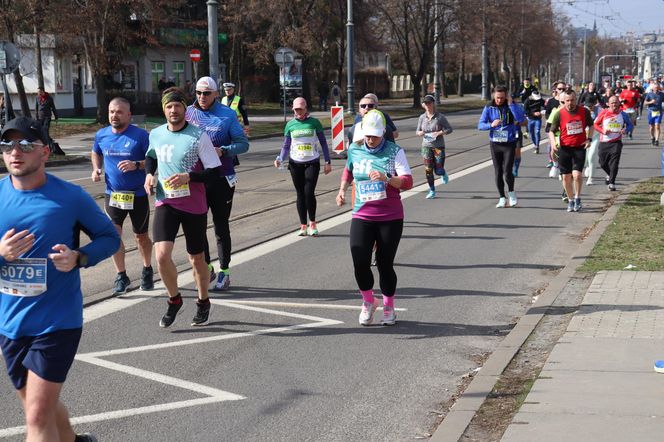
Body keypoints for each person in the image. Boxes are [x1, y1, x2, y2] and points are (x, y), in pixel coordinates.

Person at [0, 116, 119, 442]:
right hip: (10, 323)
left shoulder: (70, 197)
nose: (15, 152)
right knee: (41, 408)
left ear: (46, 153)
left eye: (25, 144)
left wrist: (79, 257)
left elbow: (110, 238)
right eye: (7, 144)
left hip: (57, 322)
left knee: (37, 416)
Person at [143, 87, 222, 327]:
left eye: (178, 106)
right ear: (164, 110)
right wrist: (148, 174)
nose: (173, 110)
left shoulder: (198, 136)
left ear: (184, 110)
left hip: (193, 206)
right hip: (166, 201)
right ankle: (174, 299)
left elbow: (215, 172)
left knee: (196, 259)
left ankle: (203, 301)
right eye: (169, 106)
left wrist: (190, 177)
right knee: (161, 255)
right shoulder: (156, 134)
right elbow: (151, 156)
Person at [335, 109, 413, 326]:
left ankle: (389, 306)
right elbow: (349, 170)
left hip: (390, 216)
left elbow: (407, 181)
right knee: (359, 262)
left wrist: (387, 178)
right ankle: (369, 301)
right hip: (362, 214)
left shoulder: (394, 152)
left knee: (384, 264)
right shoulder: (355, 149)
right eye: (367, 135)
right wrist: (342, 190)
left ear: (383, 133)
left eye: (375, 136)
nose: (370, 140)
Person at [186, 76, 249, 292]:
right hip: (197, 178)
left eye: (206, 93)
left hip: (222, 177)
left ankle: (225, 271)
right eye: (198, 93)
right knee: (198, 226)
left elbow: (243, 144)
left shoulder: (227, 115)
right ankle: (208, 266)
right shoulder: (188, 113)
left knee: (220, 226)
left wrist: (224, 150)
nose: (202, 97)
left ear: (215, 94)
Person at [91, 97, 154, 295]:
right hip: (113, 195)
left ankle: (146, 269)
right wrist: (96, 169)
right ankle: (121, 275)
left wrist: (136, 165)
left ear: (129, 115)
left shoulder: (141, 136)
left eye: (119, 112)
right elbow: (96, 152)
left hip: (137, 195)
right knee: (113, 236)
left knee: (140, 236)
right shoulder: (101, 135)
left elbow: (153, 160)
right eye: (111, 111)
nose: (114, 115)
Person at [274, 97, 331, 236]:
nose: (298, 112)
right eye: (296, 109)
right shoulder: (290, 125)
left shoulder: (315, 123)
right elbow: (286, 145)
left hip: (312, 162)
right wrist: (280, 158)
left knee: (309, 192)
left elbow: (323, 143)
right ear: (293, 110)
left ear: (306, 109)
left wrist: (327, 162)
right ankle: (303, 225)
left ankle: (312, 223)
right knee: (300, 194)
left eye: (301, 109)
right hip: (295, 164)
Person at [478, 85, 525, 208]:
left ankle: (511, 193)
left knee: (507, 171)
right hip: (495, 144)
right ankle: (502, 197)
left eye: (502, 98)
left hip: (509, 143)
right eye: (498, 97)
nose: (499, 100)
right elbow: (480, 125)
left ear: (506, 96)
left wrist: (511, 105)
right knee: (498, 172)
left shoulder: (512, 105)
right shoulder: (489, 107)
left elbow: (521, 119)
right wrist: (491, 125)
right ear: (494, 95)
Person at [548, 89, 594, 212]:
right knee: (566, 177)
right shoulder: (560, 113)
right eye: (567, 101)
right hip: (564, 148)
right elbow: (551, 131)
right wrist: (553, 144)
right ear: (564, 101)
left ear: (576, 99)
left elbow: (591, 125)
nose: (570, 103)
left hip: (579, 147)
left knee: (577, 175)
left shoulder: (584, 111)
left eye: (572, 100)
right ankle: (570, 200)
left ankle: (578, 198)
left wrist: (589, 139)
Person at [416, 94, 453, 199]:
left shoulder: (440, 117)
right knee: (428, 170)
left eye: (429, 103)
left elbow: (449, 129)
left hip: (438, 147)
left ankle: (443, 173)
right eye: (426, 103)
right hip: (426, 146)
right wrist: (420, 133)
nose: (428, 105)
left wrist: (440, 133)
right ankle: (432, 190)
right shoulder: (422, 117)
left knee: (438, 170)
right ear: (424, 105)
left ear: (433, 104)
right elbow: (417, 131)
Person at [593, 96, 633, 191]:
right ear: (608, 104)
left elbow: (630, 125)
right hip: (604, 142)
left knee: (614, 164)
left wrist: (625, 130)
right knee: (602, 163)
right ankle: (610, 174)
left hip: (616, 142)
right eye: (612, 103)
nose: (614, 105)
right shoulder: (604, 113)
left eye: (616, 102)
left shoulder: (623, 114)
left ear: (619, 103)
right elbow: (595, 124)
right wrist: (602, 130)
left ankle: (612, 183)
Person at [644, 82, 664, 146]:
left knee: (657, 126)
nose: (656, 88)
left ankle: (657, 140)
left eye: (657, 87)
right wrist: (651, 102)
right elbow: (645, 103)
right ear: (653, 88)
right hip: (651, 111)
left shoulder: (662, 94)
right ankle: (652, 137)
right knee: (651, 127)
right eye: (655, 87)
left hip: (658, 112)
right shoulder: (649, 94)